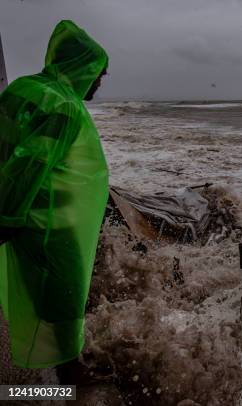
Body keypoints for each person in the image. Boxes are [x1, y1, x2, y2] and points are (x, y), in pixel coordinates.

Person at [0, 20, 109, 382]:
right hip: (46, 222)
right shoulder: (62, 106)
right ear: (81, 67)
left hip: (27, 217)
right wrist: (7, 220)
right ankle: (70, 375)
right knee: (65, 297)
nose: (98, 82)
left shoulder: (22, 88)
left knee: (43, 294)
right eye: (98, 73)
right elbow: (31, 166)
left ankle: (67, 366)